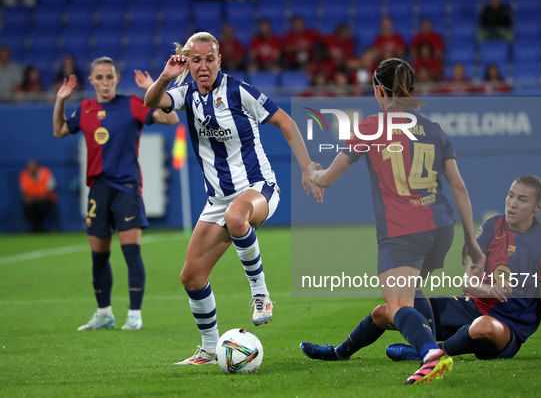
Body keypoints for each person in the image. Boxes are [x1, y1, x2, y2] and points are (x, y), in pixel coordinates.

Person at [301, 58, 485, 384]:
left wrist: (312, 173)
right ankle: (342, 352)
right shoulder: (433, 128)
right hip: (441, 228)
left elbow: (328, 178)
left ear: (378, 90)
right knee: (410, 296)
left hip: (403, 231)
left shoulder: (372, 126)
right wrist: (471, 239)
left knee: (398, 305)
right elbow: (458, 185)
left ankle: (431, 355)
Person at [143, 32, 323, 366]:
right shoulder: (185, 93)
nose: (203, 66)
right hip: (218, 201)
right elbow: (151, 102)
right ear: (188, 63)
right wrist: (166, 76)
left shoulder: (239, 91)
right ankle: (210, 349)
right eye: (195, 60)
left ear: (219, 60)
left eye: (209, 59)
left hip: (258, 189)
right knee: (192, 276)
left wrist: (305, 169)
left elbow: (285, 121)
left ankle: (260, 294)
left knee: (237, 216)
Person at [302, 176, 541, 364]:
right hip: (473, 306)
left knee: (483, 327)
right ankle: (340, 353)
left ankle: (429, 354)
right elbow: (468, 283)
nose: (512, 203)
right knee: (389, 308)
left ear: (538, 206)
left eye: (522, 199)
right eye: (511, 195)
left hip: (507, 328)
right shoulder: (491, 228)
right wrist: (490, 289)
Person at [52, 57, 180, 331]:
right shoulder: (85, 108)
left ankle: (134, 315)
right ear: (93, 81)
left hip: (126, 188)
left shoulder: (133, 103)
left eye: (110, 76)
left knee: (131, 253)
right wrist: (61, 100)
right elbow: (60, 130)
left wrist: (153, 90)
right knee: (99, 256)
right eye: (100, 77)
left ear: (116, 79)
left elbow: (172, 118)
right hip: (98, 189)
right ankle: (104, 313)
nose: (106, 82)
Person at [19, 160, 57, 232]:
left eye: (33, 168)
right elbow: (24, 194)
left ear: (38, 168)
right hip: (32, 202)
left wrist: (39, 199)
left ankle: (48, 228)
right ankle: (36, 228)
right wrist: (31, 200)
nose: (31, 170)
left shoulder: (46, 174)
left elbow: (50, 193)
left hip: (45, 201)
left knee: (42, 207)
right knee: (29, 208)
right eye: (29, 168)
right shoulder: (24, 176)